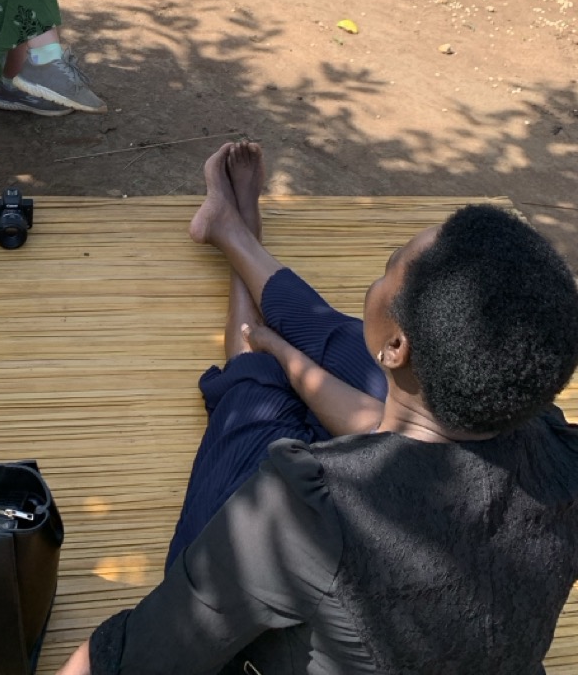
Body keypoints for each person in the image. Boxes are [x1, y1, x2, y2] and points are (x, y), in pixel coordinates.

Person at [59, 142, 578, 675]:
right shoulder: (554, 445)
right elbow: (389, 432)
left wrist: (279, 365)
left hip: (259, 606)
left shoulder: (304, 510)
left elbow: (123, 662)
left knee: (258, 389)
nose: (379, 278)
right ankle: (233, 233)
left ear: (399, 348)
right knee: (342, 345)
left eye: (388, 267)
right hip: (410, 404)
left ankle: (241, 249)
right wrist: (292, 359)